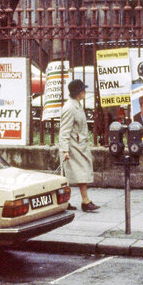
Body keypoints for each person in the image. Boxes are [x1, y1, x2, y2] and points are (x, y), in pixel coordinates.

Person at [59, 79, 99, 212]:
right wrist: (65, 150)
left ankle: (72, 201)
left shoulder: (76, 104)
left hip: (79, 145)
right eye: (82, 90)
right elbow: (64, 130)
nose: (85, 92)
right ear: (77, 93)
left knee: (77, 174)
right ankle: (84, 201)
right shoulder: (70, 108)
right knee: (77, 174)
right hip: (73, 147)